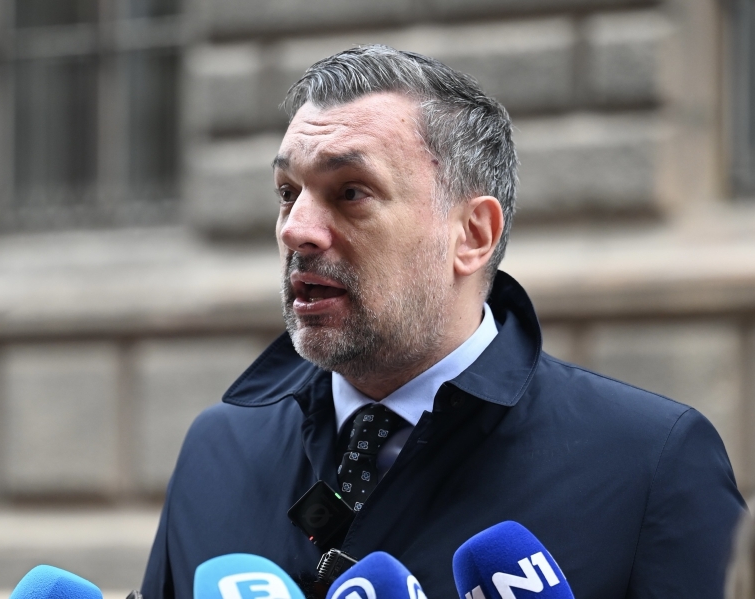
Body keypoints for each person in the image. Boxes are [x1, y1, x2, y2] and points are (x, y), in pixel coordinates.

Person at [141, 45, 746, 599]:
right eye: (286, 192)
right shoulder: (218, 447)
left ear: (473, 235)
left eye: (351, 192)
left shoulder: (649, 462)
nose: (297, 228)